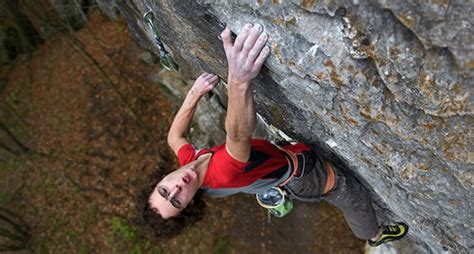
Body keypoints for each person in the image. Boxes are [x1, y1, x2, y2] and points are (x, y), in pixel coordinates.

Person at [137, 23, 408, 247]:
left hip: (280, 161)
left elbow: (175, 137)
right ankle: (373, 235)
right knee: (349, 193)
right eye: (176, 200)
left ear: (160, 178)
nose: (177, 187)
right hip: (302, 176)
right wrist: (238, 81)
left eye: (164, 190)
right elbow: (237, 135)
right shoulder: (221, 174)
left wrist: (193, 95)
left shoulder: (190, 162)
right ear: (189, 205)